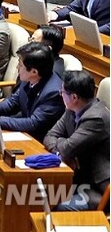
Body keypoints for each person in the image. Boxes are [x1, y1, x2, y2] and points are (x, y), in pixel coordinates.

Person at [43, 71, 110, 211]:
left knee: (60, 206)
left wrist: (63, 146)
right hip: (78, 176)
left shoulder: (96, 118)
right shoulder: (72, 109)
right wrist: (62, 149)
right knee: (40, 193)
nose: (60, 94)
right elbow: (50, 136)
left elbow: (66, 149)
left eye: (62, 92)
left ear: (74, 97)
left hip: (98, 188)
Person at [0, 42, 64, 142]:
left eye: (20, 65)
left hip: (39, 142)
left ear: (34, 72)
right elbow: (12, 103)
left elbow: (33, 124)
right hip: (25, 133)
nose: (17, 68)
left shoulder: (54, 93)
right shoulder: (29, 79)